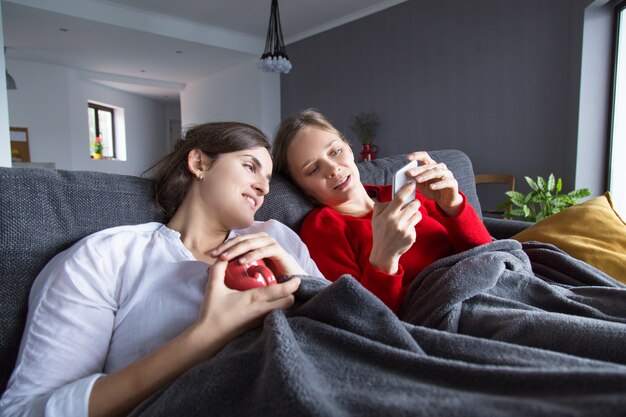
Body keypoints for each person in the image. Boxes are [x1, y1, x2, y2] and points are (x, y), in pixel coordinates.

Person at [0, 122, 322, 417]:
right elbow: (24, 411)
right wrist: (206, 336)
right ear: (199, 163)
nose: (264, 188)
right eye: (250, 167)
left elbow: (346, 327)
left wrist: (304, 283)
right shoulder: (109, 257)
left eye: (267, 179)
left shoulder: (278, 239)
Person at [272, 109, 492, 314]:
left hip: (487, 286)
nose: (333, 169)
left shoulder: (406, 191)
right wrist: (384, 259)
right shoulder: (323, 229)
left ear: (349, 148)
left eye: (335, 151)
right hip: (442, 311)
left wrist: (453, 205)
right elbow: (361, 317)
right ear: (302, 188)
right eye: (313, 169)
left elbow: (485, 256)